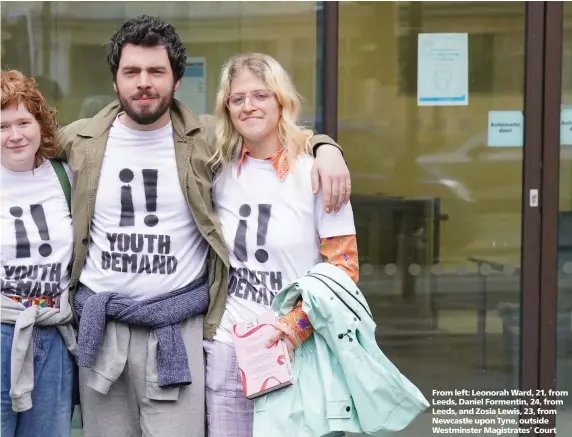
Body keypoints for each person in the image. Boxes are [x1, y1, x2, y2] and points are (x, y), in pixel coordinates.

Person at [56, 15, 350, 437]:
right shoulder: (79, 139)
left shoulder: (209, 138)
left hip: (178, 330)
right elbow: (21, 140)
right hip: (104, 331)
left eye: (157, 71)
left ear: (176, 80)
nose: (144, 82)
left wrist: (326, 148)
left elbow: (272, 129)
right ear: (115, 78)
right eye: (132, 71)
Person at [204, 52, 359, 437]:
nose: (248, 106)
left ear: (281, 101)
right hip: (228, 347)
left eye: (260, 95)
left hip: (296, 347)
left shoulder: (317, 173)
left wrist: (292, 330)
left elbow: (344, 271)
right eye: (237, 99)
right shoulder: (216, 171)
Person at [1, 70, 76, 437]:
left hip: (54, 332)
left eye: (23, 122)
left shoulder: (66, 177)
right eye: (2, 126)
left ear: (40, 124)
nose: (14, 135)